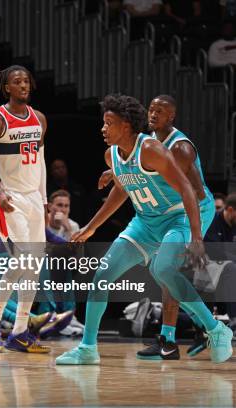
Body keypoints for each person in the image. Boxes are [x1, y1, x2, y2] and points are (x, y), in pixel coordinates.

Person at [55, 94, 233, 365]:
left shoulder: (152, 149)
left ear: (125, 125)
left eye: (108, 123)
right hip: (146, 221)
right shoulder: (111, 154)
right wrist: (91, 227)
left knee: (162, 269)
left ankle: (215, 329)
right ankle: (88, 348)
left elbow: (188, 189)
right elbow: (122, 189)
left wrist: (197, 238)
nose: (103, 128)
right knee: (102, 275)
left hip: (178, 217)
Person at [96, 95, 217, 360]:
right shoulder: (145, 142)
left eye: (160, 111)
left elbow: (193, 191)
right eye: (151, 109)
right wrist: (117, 173)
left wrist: (194, 235)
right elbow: (139, 170)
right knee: (163, 272)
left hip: (195, 207)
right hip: (167, 209)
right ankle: (172, 339)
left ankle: (200, 330)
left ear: (171, 117)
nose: (153, 114)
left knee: (166, 269)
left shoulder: (180, 148)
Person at [0, 65, 50, 353]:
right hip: (10, 197)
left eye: (26, 81)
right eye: (16, 82)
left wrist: (44, 201)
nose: (23, 85)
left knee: (33, 266)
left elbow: (42, 159)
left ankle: (20, 331)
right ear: (7, 88)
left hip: (33, 197)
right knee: (24, 259)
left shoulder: (40, 119)